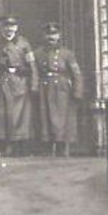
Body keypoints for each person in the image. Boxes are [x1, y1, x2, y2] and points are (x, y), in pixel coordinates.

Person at [0, 14, 36, 155]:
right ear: (1, 28)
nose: (9, 30)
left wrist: (31, 82)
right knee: (1, 115)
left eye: (12, 27)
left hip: (19, 85)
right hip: (1, 83)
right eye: (6, 26)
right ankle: (1, 146)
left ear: (16, 28)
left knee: (20, 116)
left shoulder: (24, 44)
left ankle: (20, 146)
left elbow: (32, 65)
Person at [33, 22, 86, 157]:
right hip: (44, 88)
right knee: (45, 118)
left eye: (54, 34)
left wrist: (77, 91)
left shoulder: (67, 54)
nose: (51, 37)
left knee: (62, 119)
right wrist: (34, 88)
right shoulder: (38, 53)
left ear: (59, 36)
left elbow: (76, 73)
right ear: (44, 36)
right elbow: (34, 72)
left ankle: (62, 147)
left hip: (62, 89)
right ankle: (48, 147)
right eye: (48, 34)